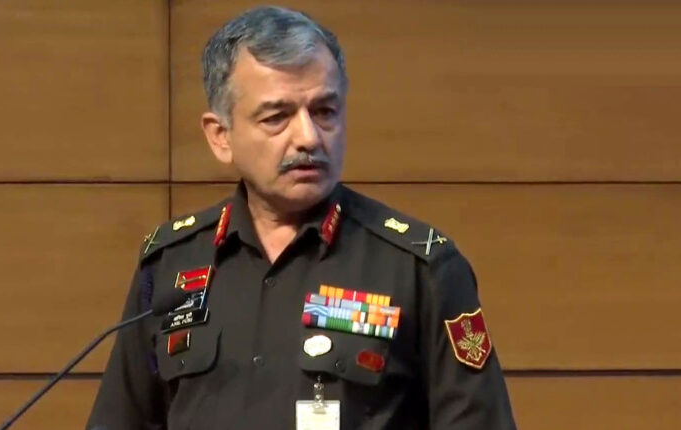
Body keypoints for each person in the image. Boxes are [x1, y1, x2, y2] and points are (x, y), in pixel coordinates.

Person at [87, 6, 516, 430]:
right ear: (221, 137)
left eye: (324, 111)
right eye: (277, 117)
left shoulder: (420, 269)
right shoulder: (170, 264)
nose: (308, 137)